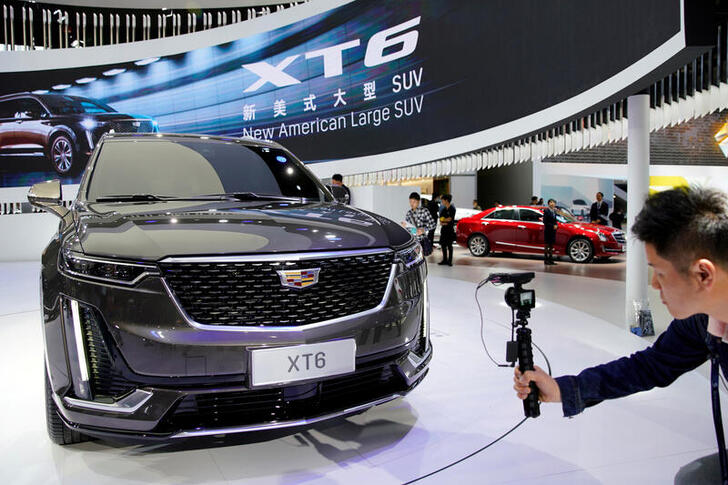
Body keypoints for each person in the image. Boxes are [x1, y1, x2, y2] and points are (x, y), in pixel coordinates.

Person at [513, 186, 728, 483]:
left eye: (660, 272)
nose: (654, 285)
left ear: (703, 275)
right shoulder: (701, 322)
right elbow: (649, 366)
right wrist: (563, 389)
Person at [438, 194, 456, 266]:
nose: (442, 201)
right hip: (444, 230)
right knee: (443, 245)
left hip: (450, 230)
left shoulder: (452, 209)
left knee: (449, 245)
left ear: (446, 200)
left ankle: (450, 261)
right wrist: (444, 221)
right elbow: (440, 221)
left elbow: (450, 219)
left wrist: (444, 220)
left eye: (443, 200)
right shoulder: (443, 210)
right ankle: (444, 260)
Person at [542, 198, 558, 265]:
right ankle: (546, 260)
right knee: (547, 245)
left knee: (551, 246)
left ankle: (551, 260)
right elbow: (545, 222)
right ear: (548, 203)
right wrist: (552, 226)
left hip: (553, 231)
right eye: (551, 202)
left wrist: (556, 225)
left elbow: (555, 220)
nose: (552, 203)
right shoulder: (546, 211)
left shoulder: (554, 211)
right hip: (548, 230)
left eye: (554, 202)